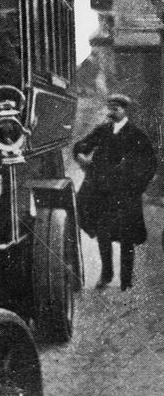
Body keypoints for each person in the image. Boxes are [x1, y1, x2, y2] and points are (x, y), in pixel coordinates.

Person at [74, 94, 157, 291]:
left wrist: (137, 186)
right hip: (103, 193)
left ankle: (126, 281)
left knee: (126, 239)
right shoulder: (103, 131)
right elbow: (81, 145)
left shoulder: (137, 135)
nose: (111, 112)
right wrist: (81, 157)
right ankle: (106, 275)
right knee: (103, 235)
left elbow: (150, 164)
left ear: (124, 110)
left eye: (116, 108)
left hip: (126, 195)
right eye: (109, 108)